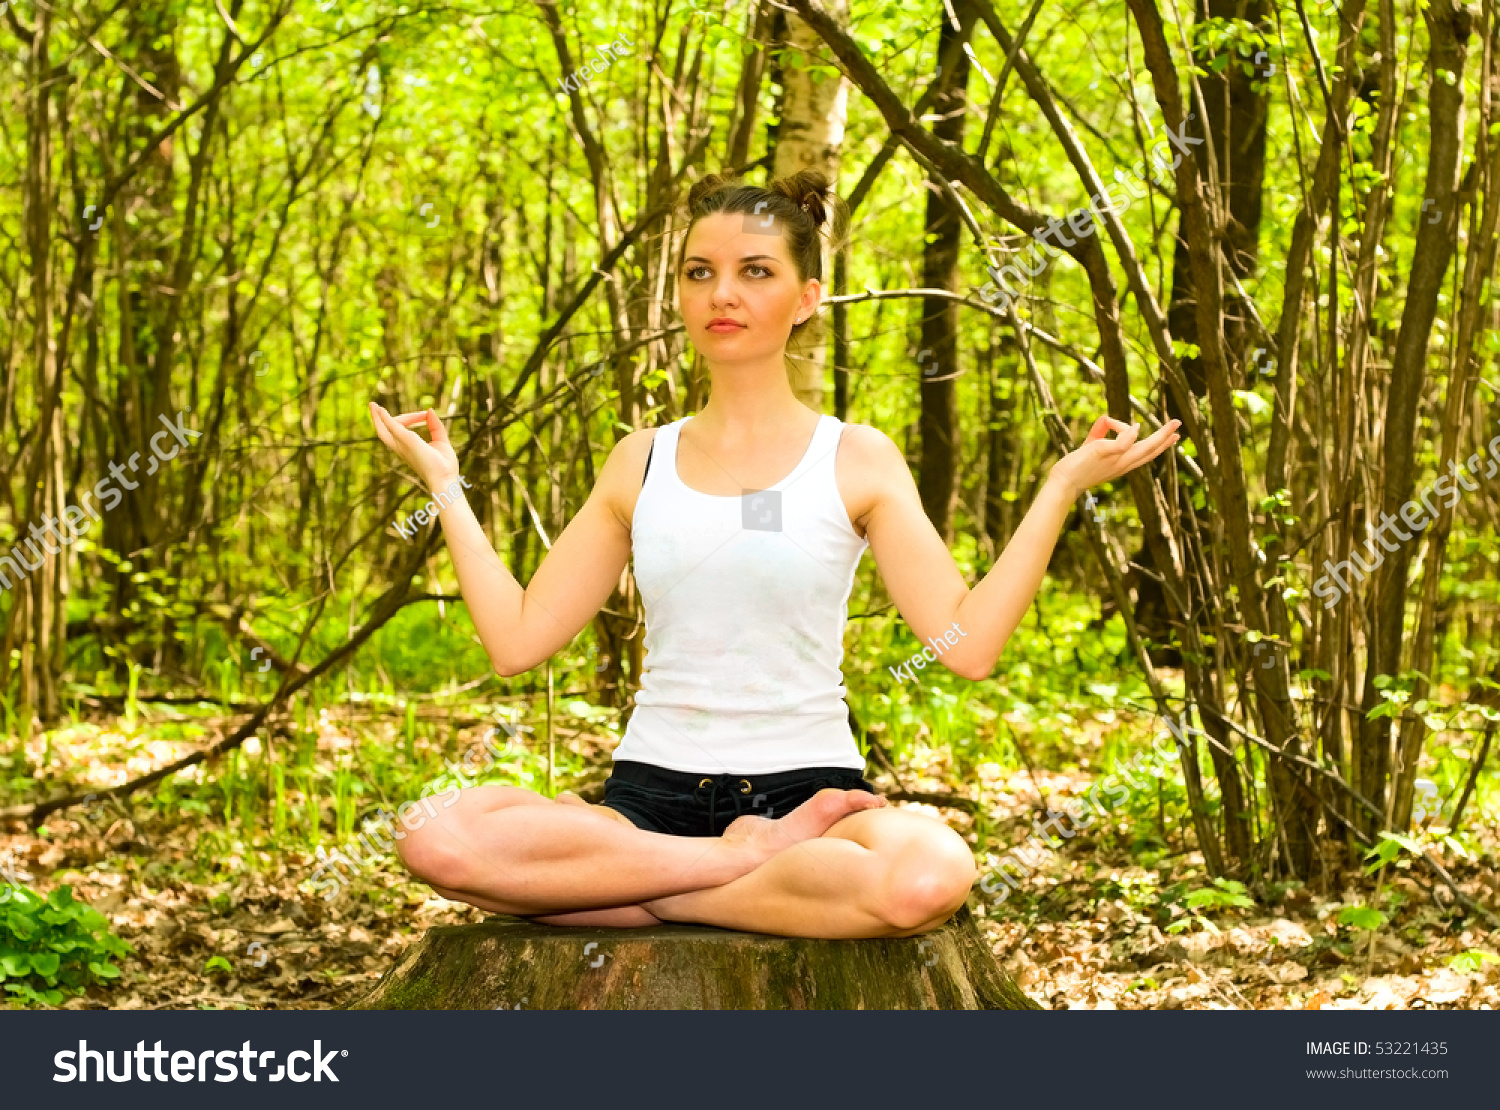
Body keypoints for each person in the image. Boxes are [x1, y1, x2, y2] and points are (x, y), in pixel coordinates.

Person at [367, 169, 1180, 939]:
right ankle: (724, 870)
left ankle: (639, 896)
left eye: (755, 271)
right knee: (441, 840)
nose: (722, 294)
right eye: (698, 272)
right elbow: (516, 642)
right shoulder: (638, 459)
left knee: (926, 877)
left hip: (812, 803)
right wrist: (445, 484)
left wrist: (1060, 489)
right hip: (646, 802)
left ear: (806, 298)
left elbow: (965, 649)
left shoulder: (857, 456)